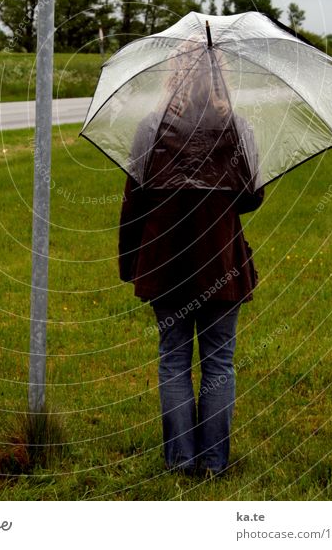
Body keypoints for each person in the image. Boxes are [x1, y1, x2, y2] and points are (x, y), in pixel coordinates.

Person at [118, 47, 264, 477]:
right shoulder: (237, 129)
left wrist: (131, 264)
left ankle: (180, 463)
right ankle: (215, 465)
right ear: (221, 77)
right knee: (219, 362)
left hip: (165, 267)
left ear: (173, 76)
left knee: (174, 359)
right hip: (221, 266)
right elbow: (252, 197)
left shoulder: (151, 130)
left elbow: (134, 204)